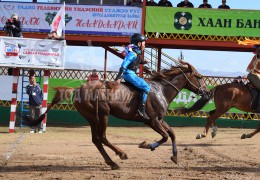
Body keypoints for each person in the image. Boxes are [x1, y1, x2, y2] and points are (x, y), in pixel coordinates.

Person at [114, 33, 150, 120]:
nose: (145, 46)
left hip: (131, 73)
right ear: (139, 44)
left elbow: (135, 61)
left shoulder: (137, 52)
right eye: (144, 44)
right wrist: (118, 78)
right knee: (146, 87)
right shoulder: (133, 53)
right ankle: (141, 110)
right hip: (129, 74)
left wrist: (143, 62)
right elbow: (124, 65)